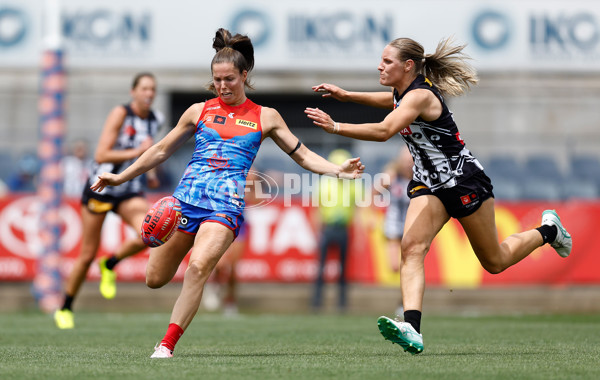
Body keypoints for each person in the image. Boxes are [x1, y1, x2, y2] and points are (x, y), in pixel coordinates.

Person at [90, 28, 364, 358]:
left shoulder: (266, 117)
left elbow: (302, 154)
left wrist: (338, 170)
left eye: (230, 79)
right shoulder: (198, 110)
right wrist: (120, 178)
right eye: (217, 79)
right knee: (154, 278)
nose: (223, 85)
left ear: (244, 75)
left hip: (224, 207)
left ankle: (166, 345)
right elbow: (161, 150)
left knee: (199, 267)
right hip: (184, 204)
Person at [305, 37, 572, 355]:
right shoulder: (402, 94)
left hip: (463, 182)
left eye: (387, 61)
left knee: (495, 261)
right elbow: (387, 102)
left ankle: (549, 231)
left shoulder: (419, 95)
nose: (379, 65)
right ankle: (412, 329)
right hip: (428, 184)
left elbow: (384, 130)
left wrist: (336, 126)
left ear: (407, 66)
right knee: (411, 248)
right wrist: (347, 95)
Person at [54, 72, 164, 329]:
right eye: (144, 88)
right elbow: (102, 153)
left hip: (129, 188)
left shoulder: (155, 119)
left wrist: (152, 174)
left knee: (152, 231)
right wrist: (139, 151)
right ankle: (66, 307)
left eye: (153, 89)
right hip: (101, 187)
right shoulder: (121, 114)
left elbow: (150, 156)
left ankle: (110, 263)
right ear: (133, 91)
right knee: (87, 253)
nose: (149, 93)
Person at [311, 148, 357, 313]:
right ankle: (319, 302)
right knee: (324, 267)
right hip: (330, 228)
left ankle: (339, 303)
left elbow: (316, 209)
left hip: (340, 229)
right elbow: (317, 210)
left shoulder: (326, 183)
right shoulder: (330, 183)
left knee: (341, 268)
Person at [381, 147, 413, 316]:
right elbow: (373, 191)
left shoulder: (420, 179)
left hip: (411, 228)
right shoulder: (392, 177)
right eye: (406, 162)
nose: (409, 165)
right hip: (393, 226)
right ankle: (405, 296)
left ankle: (404, 302)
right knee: (395, 266)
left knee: (408, 266)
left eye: (411, 161)